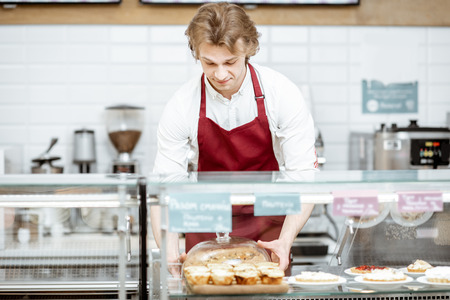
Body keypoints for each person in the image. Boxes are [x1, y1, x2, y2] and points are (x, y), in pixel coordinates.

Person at [151, 2, 317, 273]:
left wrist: (285, 242)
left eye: (230, 62)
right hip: (205, 229)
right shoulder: (182, 104)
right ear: (197, 55)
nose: (220, 74)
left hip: (267, 232)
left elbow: (305, 178)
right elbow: (165, 189)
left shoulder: (281, 93)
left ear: (248, 51)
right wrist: (169, 252)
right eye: (209, 63)